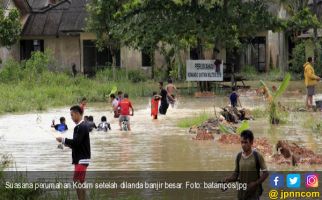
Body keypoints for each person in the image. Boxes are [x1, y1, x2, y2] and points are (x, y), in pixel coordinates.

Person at [56, 105, 91, 200]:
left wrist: (63, 140)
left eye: (72, 115)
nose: (71, 118)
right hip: (80, 159)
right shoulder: (80, 127)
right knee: (81, 182)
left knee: (76, 180)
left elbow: (76, 142)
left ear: (76, 114)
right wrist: (68, 144)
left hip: (82, 159)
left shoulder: (81, 126)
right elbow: (77, 144)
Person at [224, 130, 269, 200]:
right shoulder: (239, 156)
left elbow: (266, 173)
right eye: (242, 142)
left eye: (245, 142)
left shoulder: (257, 156)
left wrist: (255, 183)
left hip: (253, 194)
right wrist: (227, 180)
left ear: (251, 143)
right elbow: (236, 174)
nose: (243, 145)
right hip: (241, 195)